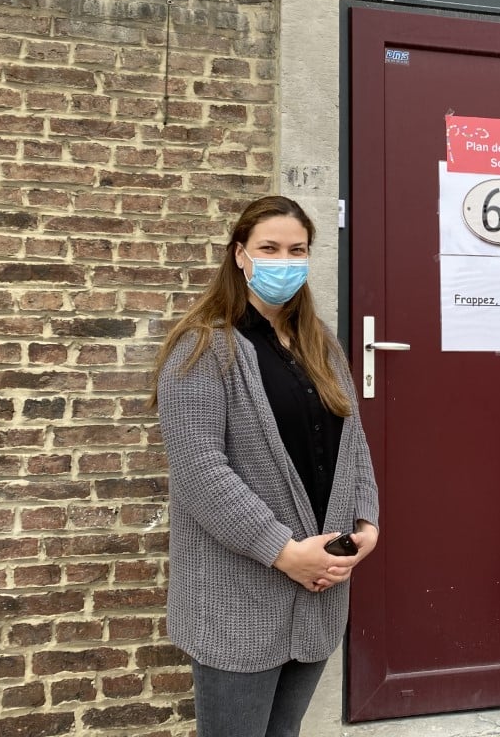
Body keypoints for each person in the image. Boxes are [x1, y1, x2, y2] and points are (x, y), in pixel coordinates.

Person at [150, 195, 379, 737]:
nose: (285, 261)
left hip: (320, 589)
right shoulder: (201, 347)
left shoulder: (320, 344)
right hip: (237, 598)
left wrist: (366, 523)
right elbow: (200, 471)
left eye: (297, 250)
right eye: (269, 248)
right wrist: (284, 553)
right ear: (240, 255)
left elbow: (354, 443)